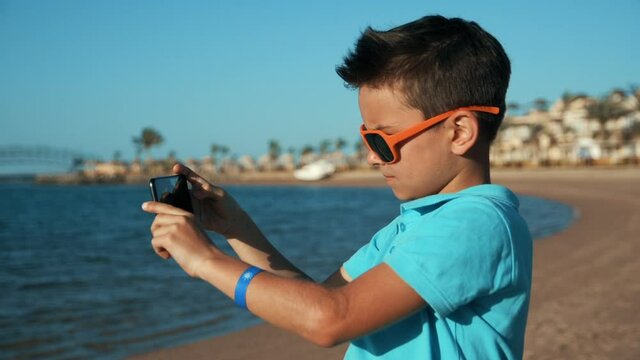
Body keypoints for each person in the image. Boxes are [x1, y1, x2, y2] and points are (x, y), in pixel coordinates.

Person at [142, 15, 532, 359]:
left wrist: (205, 261)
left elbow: (329, 320)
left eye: (383, 140)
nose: (372, 158)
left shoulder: (476, 223)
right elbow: (317, 299)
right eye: (367, 139)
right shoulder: (414, 225)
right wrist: (235, 228)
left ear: (460, 131)